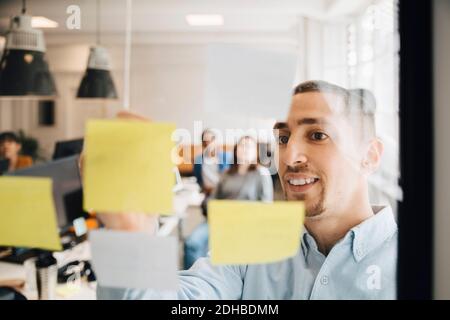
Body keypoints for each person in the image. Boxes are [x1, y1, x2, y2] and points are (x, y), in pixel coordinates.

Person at [96, 80, 396, 299]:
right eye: (283, 138)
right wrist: (128, 233)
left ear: (369, 156)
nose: (289, 157)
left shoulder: (422, 263)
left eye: (317, 135)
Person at [183, 136, 273, 269]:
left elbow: (266, 206)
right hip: (219, 220)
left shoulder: (262, 173)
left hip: (246, 223)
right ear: (236, 151)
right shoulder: (227, 173)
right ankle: (195, 281)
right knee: (192, 244)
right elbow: (213, 198)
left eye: (249, 146)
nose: (245, 149)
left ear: (256, 152)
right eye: (242, 146)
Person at [193, 129, 232, 195]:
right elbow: (199, 180)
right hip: (207, 192)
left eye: (212, 139)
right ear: (203, 143)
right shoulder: (198, 160)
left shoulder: (227, 157)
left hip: (224, 192)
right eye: (206, 141)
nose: (209, 143)